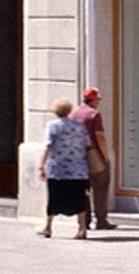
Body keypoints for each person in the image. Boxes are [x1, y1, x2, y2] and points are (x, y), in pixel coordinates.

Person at [38, 97, 93, 241]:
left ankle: (48, 226)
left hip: (58, 170)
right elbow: (87, 144)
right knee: (79, 198)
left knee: (54, 198)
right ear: (69, 110)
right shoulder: (80, 126)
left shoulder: (53, 126)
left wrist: (41, 165)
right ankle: (81, 228)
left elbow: (48, 146)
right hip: (78, 169)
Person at [74, 85, 114, 230]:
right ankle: (101, 220)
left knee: (83, 188)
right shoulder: (94, 114)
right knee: (101, 186)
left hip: (77, 155)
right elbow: (100, 136)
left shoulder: (74, 113)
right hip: (93, 153)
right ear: (93, 99)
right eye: (98, 99)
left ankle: (85, 221)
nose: (99, 102)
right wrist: (106, 156)